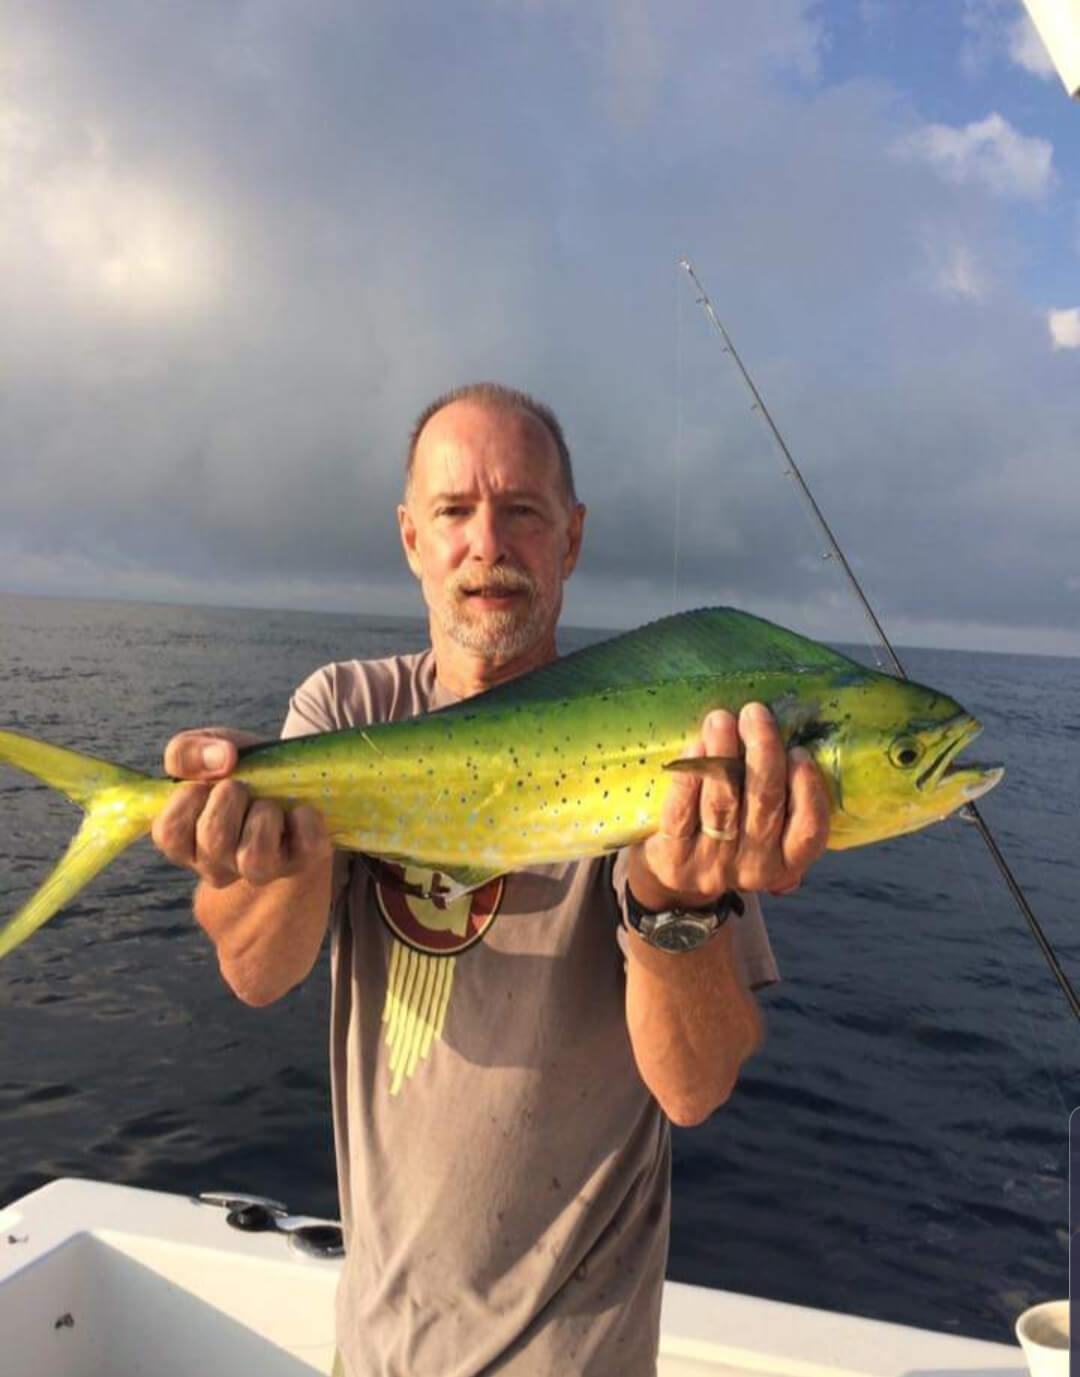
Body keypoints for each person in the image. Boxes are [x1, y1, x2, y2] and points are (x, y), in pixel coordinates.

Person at [152, 382, 830, 1376]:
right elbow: (259, 971)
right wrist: (270, 851)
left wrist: (675, 906)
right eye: (454, 512)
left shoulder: (674, 736)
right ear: (410, 538)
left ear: (572, 538)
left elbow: (694, 1088)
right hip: (376, 1346)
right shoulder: (347, 709)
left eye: (522, 511)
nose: (488, 542)